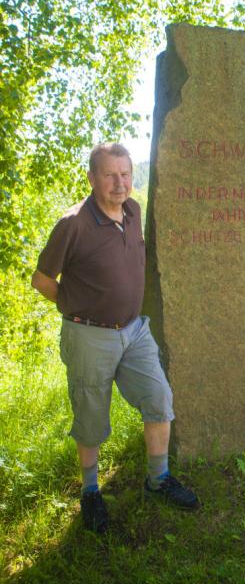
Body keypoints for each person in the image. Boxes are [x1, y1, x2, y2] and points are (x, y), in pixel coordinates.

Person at [31, 143, 199, 533]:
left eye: (125, 173)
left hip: (135, 331)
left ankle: (158, 479)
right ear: (92, 178)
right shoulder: (72, 224)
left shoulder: (134, 211)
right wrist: (74, 305)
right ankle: (90, 492)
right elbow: (41, 280)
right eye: (110, 175)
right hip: (89, 336)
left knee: (159, 399)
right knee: (91, 420)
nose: (120, 182)